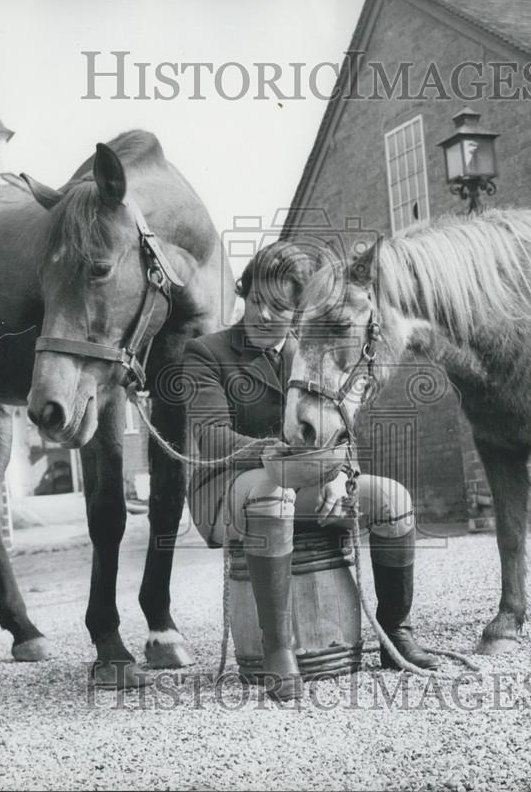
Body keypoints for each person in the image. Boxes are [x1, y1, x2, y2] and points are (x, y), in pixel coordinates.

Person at [182, 240, 437, 701]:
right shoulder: (206, 352)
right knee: (272, 494)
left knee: (393, 500)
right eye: (255, 299)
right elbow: (212, 438)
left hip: (304, 483)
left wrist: (341, 477)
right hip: (225, 489)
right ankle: (279, 651)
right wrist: (284, 458)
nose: (262, 314)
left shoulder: (312, 351)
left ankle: (395, 630)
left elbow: (341, 431)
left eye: (279, 307)